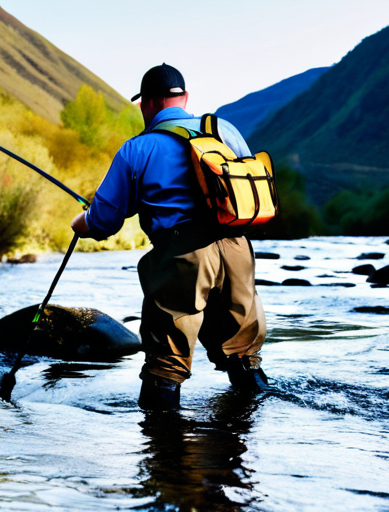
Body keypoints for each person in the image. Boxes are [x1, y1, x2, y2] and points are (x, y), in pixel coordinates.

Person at [71, 63, 268, 410]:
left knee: (166, 365)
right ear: (184, 98)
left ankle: (164, 456)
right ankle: (251, 444)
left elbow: (103, 222)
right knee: (244, 356)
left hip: (185, 257)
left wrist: (80, 222)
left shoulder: (137, 149)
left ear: (147, 103)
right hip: (237, 249)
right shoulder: (223, 130)